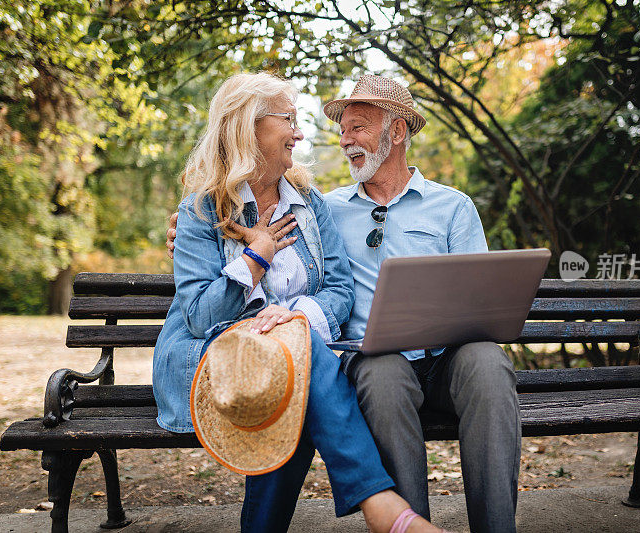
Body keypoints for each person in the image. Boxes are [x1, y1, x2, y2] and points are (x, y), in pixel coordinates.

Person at [167, 74, 520, 533]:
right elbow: (214, 252)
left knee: (488, 363)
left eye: (357, 127)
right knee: (373, 371)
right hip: (352, 359)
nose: (342, 138)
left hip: (447, 358)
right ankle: (405, 521)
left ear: (396, 132)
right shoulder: (326, 207)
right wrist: (212, 239)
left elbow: (480, 297)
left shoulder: (448, 207)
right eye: (342, 128)